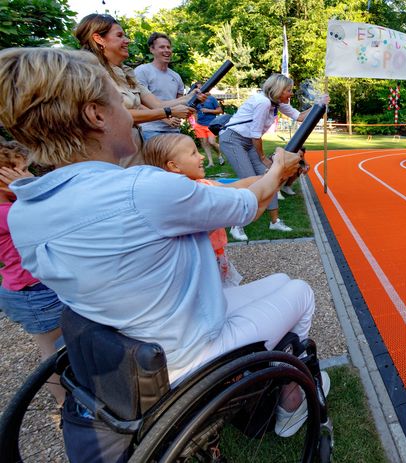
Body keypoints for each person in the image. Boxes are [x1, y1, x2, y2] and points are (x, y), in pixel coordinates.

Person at [0, 47, 326, 441]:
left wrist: (271, 176)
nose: (130, 113)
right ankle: (290, 399)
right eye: (119, 102)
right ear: (96, 115)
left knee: (277, 281)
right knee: (301, 292)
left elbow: (221, 194)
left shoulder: (25, 210)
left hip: (127, 350)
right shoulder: (141, 189)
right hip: (189, 351)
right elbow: (245, 206)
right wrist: (278, 169)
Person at [75, 14, 194, 167]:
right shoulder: (91, 73)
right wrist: (168, 113)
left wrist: (190, 97)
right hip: (108, 154)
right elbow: (114, 115)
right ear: (99, 39)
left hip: (133, 149)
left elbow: (157, 104)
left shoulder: (126, 72)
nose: (127, 41)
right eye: (119, 36)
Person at [219, 73, 329, 238]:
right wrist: (263, 158)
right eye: (289, 90)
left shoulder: (276, 103)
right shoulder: (263, 103)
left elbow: (299, 117)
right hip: (233, 140)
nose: (291, 94)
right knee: (250, 181)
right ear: (278, 90)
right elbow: (256, 134)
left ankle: (275, 222)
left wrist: (318, 104)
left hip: (248, 141)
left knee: (270, 177)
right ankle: (236, 225)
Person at [0, 141, 66, 403]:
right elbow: (53, 214)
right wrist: (29, 187)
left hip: (28, 288)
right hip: (33, 293)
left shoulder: (12, 205)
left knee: (58, 345)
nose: (30, 175)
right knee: (52, 351)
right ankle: (63, 402)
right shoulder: (8, 212)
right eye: (23, 171)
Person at [142, 133, 243, 286]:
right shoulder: (176, 198)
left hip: (215, 251)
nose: (202, 156)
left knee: (220, 286)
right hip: (197, 257)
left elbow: (233, 187)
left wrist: (268, 178)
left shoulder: (204, 184)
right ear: (174, 166)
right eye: (194, 153)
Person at [134, 32, 186, 141]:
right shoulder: (142, 71)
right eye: (162, 47)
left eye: (168, 47)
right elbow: (137, 102)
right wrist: (165, 118)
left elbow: (179, 101)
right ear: (152, 50)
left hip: (174, 131)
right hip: (150, 129)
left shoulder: (176, 76)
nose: (167, 50)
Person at [193, 89, 224, 168]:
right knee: (205, 144)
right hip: (199, 125)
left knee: (212, 142)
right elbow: (195, 112)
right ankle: (210, 162)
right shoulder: (195, 100)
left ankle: (220, 155)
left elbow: (219, 110)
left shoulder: (211, 99)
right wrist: (195, 123)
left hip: (211, 124)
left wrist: (208, 110)